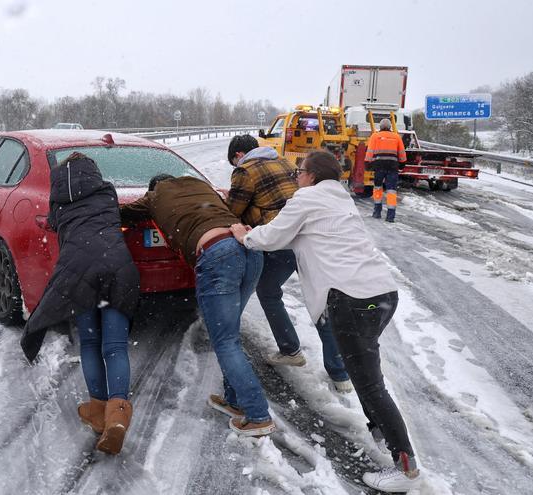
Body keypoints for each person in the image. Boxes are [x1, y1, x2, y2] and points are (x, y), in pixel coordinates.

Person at [230, 150, 422, 492]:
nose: (296, 177)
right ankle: (380, 430)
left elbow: (272, 237)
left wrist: (244, 234)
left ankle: (404, 465)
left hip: (352, 299)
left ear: (311, 175)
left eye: (299, 171)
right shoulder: (340, 200)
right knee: (367, 373)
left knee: (370, 383)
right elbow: (293, 237)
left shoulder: (306, 199)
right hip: (381, 295)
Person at [120, 174, 274, 437]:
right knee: (230, 334)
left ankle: (258, 415)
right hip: (250, 249)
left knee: (225, 340)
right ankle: (234, 400)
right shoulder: (201, 185)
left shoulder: (154, 197)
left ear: (153, 187)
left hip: (218, 254)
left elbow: (122, 214)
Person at [19, 152, 140, 455]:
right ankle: (118, 416)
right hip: (118, 268)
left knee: (89, 343)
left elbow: (52, 224)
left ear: (59, 181)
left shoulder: (58, 204)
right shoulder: (107, 192)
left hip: (77, 271)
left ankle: (99, 410)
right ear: (94, 173)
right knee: (115, 346)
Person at [226, 135, 352, 393]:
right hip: (306, 237)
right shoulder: (283, 162)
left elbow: (233, 209)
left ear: (239, 155)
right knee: (320, 300)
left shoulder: (245, 171)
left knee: (268, 291)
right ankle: (339, 373)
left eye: (233, 161)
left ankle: (290, 348)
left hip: (280, 239)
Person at [365, 118, 407, 223]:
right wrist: (402, 164)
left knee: (378, 188)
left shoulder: (375, 136)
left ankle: (377, 212)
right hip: (392, 167)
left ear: (380, 126)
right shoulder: (396, 137)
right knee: (391, 191)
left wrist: (367, 163)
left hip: (379, 167)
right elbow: (402, 153)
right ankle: (390, 216)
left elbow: (370, 152)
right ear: (390, 127)